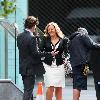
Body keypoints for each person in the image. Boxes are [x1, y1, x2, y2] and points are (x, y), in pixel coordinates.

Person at [17, 16, 58, 100]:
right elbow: (36, 53)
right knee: (28, 90)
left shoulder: (20, 36)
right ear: (34, 26)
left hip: (23, 67)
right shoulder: (32, 38)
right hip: (30, 68)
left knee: (27, 89)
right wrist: (51, 53)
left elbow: (24, 51)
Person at [68, 27, 100, 100]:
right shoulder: (83, 35)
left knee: (76, 84)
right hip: (81, 63)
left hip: (74, 64)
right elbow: (91, 44)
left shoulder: (71, 39)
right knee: (78, 85)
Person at [40, 22, 69, 100]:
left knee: (59, 87)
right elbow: (40, 51)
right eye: (48, 30)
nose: (50, 31)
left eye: (52, 29)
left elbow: (67, 52)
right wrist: (50, 53)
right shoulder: (45, 39)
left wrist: (66, 59)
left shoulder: (64, 39)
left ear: (56, 29)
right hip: (48, 65)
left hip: (60, 65)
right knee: (50, 86)